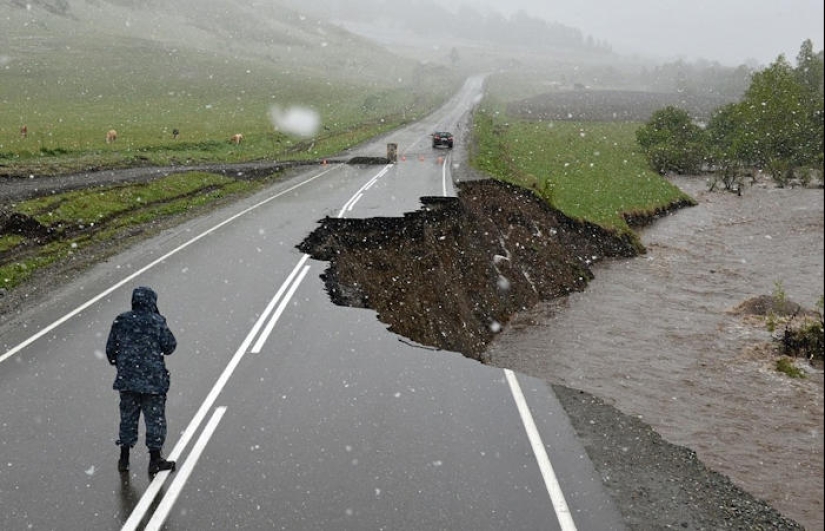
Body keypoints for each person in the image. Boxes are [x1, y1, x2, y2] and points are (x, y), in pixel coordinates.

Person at [106, 286, 177, 475]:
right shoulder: (157, 322)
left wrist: (122, 365)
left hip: (127, 381)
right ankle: (155, 459)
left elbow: (110, 351)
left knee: (128, 418)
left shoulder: (121, 320)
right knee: (155, 419)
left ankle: (124, 458)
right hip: (153, 382)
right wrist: (160, 319)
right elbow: (170, 346)